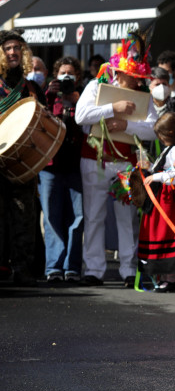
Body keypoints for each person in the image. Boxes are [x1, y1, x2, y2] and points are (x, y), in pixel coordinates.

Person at [75, 31, 158, 287]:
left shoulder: (144, 97)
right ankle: (94, 269)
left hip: (127, 162)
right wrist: (114, 108)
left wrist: (125, 125)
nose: (133, 82)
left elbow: (154, 128)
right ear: (118, 73)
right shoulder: (95, 85)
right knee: (94, 214)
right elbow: (81, 116)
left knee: (127, 218)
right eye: (129, 77)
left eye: (137, 78)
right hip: (95, 160)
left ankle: (127, 270)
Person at [0, 28, 45, 286]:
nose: (13, 52)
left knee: (24, 216)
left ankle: (23, 268)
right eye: (8, 48)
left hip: (24, 162)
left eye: (17, 48)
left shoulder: (31, 87)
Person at [40, 56, 85, 283]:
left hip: (76, 165)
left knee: (77, 219)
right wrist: (50, 95)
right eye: (62, 73)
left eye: (71, 73)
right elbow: (39, 121)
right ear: (55, 76)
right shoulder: (48, 97)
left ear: (77, 76)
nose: (66, 77)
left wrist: (78, 102)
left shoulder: (84, 98)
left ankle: (72, 267)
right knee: (52, 217)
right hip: (51, 165)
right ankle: (53, 267)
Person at [138, 112, 175, 292]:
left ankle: (172, 277)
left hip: (170, 199)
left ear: (167, 134)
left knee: (169, 232)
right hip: (161, 197)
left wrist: (156, 176)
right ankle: (163, 275)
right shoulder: (169, 151)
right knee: (159, 232)